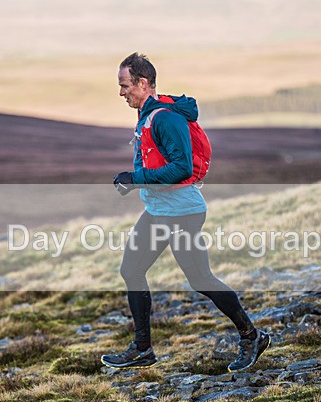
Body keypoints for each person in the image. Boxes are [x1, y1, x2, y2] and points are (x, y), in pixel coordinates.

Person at [101, 53, 270, 372]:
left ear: (142, 83)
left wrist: (136, 179)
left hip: (182, 213)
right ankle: (142, 348)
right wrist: (134, 182)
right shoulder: (147, 114)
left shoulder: (165, 117)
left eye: (124, 85)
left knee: (201, 279)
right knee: (132, 271)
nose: (121, 92)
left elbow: (181, 168)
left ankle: (252, 336)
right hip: (160, 210)